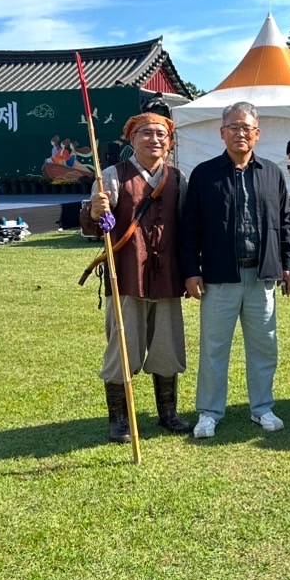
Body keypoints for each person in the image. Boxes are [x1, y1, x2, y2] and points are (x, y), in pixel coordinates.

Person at [180, 102, 290, 439]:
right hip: (220, 276)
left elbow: (285, 224)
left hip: (262, 277)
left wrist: (287, 264)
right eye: (233, 127)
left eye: (246, 127)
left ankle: (262, 408)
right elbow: (190, 228)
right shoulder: (204, 174)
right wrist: (191, 270)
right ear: (222, 132)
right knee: (215, 348)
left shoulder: (272, 173)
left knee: (264, 346)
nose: (240, 133)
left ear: (257, 134)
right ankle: (209, 412)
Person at [83, 112, 192, 443]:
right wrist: (94, 210)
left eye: (161, 134)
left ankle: (168, 412)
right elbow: (93, 228)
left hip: (168, 276)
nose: (154, 139)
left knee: (167, 347)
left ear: (170, 142)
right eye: (146, 133)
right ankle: (119, 418)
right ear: (131, 140)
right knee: (124, 348)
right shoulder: (113, 177)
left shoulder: (178, 178)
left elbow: (187, 227)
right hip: (127, 275)